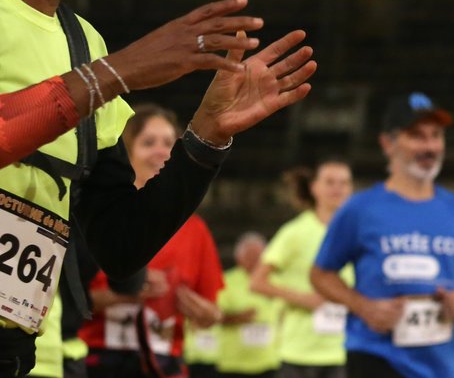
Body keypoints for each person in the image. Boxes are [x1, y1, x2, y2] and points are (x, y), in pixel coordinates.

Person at [0, 0, 316, 374]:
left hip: (34, 359)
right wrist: (113, 75)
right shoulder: (98, 64)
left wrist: (205, 137)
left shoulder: (81, 44)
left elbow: (119, 243)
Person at [311, 91, 454, 378]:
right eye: (417, 136)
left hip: (440, 364)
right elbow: (320, 274)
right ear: (387, 143)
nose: (430, 146)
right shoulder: (359, 209)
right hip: (375, 357)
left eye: (436, 136)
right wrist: (364, 306)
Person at [79, 104, 224, 378]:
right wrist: (121, 292)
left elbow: (213, 312)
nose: (161, 151)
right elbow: (66, 302)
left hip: (164, 363)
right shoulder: (98, 215)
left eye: (170, 143)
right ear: (127, 151)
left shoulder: (195, 229)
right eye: (148, 142)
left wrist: (203, 313)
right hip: (97, 360)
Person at [251, 159, 355, 378]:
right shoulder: (295, 232)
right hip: (298, 353)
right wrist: (301, 298)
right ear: (314, 187)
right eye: (330, 182)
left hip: (344, 351)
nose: (337, 188)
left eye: (344, 183)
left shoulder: (357, 233)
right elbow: (257, 282)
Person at [217, 233, 281, 378]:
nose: (255, 261)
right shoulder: (225, 281)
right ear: (239, 258)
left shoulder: (277, 281)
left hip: (271, 363)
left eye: (259, 256)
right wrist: (238, 317)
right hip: (234, 365)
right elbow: (213, 316)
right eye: (250, 256)